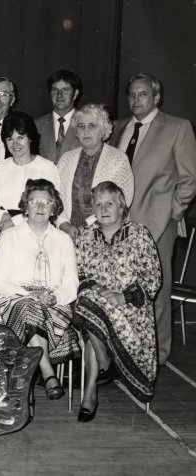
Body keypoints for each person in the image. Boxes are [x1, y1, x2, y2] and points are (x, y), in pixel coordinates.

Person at [109, 73, 196, 365]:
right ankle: (125, 349)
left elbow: (190, 178)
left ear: (156, 97)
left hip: (159, 224)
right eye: (132, 94)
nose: (136, 100)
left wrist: (172, 213)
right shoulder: (120, 127)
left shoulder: (177, 127)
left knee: (156, 288)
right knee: (121, 286)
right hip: (119, 225)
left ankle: (156, 355)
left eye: (143, 94)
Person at [72, 181, 161, 421]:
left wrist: (123, 296)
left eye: (109, 203)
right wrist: (100, 289)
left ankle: (96, 381)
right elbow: (77, 275)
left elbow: (153, 278)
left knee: (91, 318)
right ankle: (101, 369)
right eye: (98, 204)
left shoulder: (139, 234)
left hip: (131, 312)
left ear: (121, 206)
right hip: (96, 304)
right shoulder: (86, 237)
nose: (103, 209)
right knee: (89, 302)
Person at [0, 179, 79, 401]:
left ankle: (28, 378)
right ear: (25, 206)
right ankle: (48, 372)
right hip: (13, 299)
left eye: (46, 202)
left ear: (54, 207)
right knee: (28, 306)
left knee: (33, 309)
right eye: (34, 201)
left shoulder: (63, 240)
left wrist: (54, 297)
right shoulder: (10, 236)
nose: (40, 207)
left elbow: (71, 284)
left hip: (53, 303)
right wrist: (28, 294)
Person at [0, 111, 61, 250]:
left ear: (30, 138)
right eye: (10, 139)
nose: (15, 144)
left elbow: (53, 206)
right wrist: (4, 218)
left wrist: (15, 221)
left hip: (37, 233)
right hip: (0, 232)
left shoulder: (48, 168)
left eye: (20, 137)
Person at [57, 104, 134, 240]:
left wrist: (87, 226)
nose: (86, 132)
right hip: (66, 231)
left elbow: (123, 200)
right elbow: (55, 196)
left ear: (103, 129)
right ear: (76, 131)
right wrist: (63, 224)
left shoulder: (118, 159)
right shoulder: (66, 159)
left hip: (105, 231)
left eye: (92, 126)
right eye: (81, 126)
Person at [34, 69, 83, 163]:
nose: (59, 95)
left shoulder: (86, 124)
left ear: (75, 94)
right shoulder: (37, 125)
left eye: (65, 90)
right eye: (55, 90)